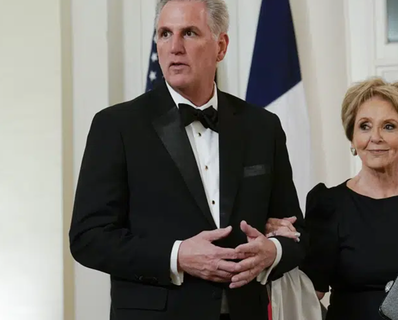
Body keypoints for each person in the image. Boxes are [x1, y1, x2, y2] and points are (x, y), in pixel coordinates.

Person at [68, 1, 307, 319]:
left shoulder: (263, 127)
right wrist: (177, 255)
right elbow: (88, 238)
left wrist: (273, 251)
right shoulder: (116, 126)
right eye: (165, 34)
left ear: (220, 46)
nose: (174, 47)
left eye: (189, 33)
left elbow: (295, 231)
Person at [267, 78, 398, 320]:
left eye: (389, 126)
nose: (375, 137)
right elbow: (310, 291)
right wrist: (274, 248)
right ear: (353, 139)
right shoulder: (329, 204)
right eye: (364, 126)